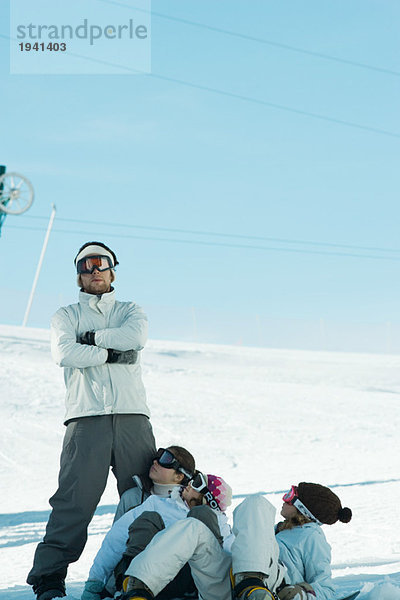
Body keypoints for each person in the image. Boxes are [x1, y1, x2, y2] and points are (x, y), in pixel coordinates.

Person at [27, 241, 157, 600]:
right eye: (86, 266)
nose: (94, 271)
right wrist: (113, 353)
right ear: (79, 275)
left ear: (113, 271)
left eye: (101, 264)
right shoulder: (65, 316)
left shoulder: (131, 310)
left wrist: (92, 342)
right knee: (74, 501)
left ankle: (136, 574)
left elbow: (136, 337)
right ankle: (49, 579)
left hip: (132, 416)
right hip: (86, 419)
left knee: (144, 498)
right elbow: (64, 353)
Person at [121, 481, 352, 600]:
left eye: (291, 495)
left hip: (268, 589)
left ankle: (253, 587)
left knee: (256, 504)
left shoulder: (312, 536)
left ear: (304, 509)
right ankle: (138, 589)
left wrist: (300, 594)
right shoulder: (276, 531)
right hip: (229, 585)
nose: (284, 498)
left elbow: (327, 588)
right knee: (193, 527)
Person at [81, 471, 233, 600]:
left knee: (200, 517)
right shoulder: (158, 504)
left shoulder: (218, 524)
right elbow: (117, 537)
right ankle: (133, 586)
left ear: (208, 499)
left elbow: (228, 555)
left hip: (191, 580)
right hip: (147, 573)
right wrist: (96, 580)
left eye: (198, 483)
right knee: (148, 519)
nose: (190, 482)